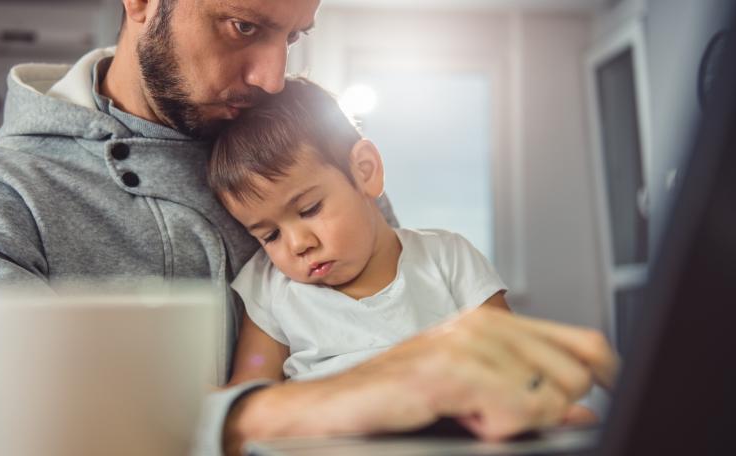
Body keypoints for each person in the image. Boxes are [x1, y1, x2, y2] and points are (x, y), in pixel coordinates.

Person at [0, 1, 618, 455]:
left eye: (295, 37)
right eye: (243, 26)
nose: (273, 77)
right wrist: (278, 414)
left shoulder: (296, 148)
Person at [209, 76, 599, 421]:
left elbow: (512, 358)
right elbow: (250, 397)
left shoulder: (448, 257)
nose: (298, 244)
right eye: (269, 236)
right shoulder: (270, 285)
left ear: (365, 172)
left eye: (309, 209)